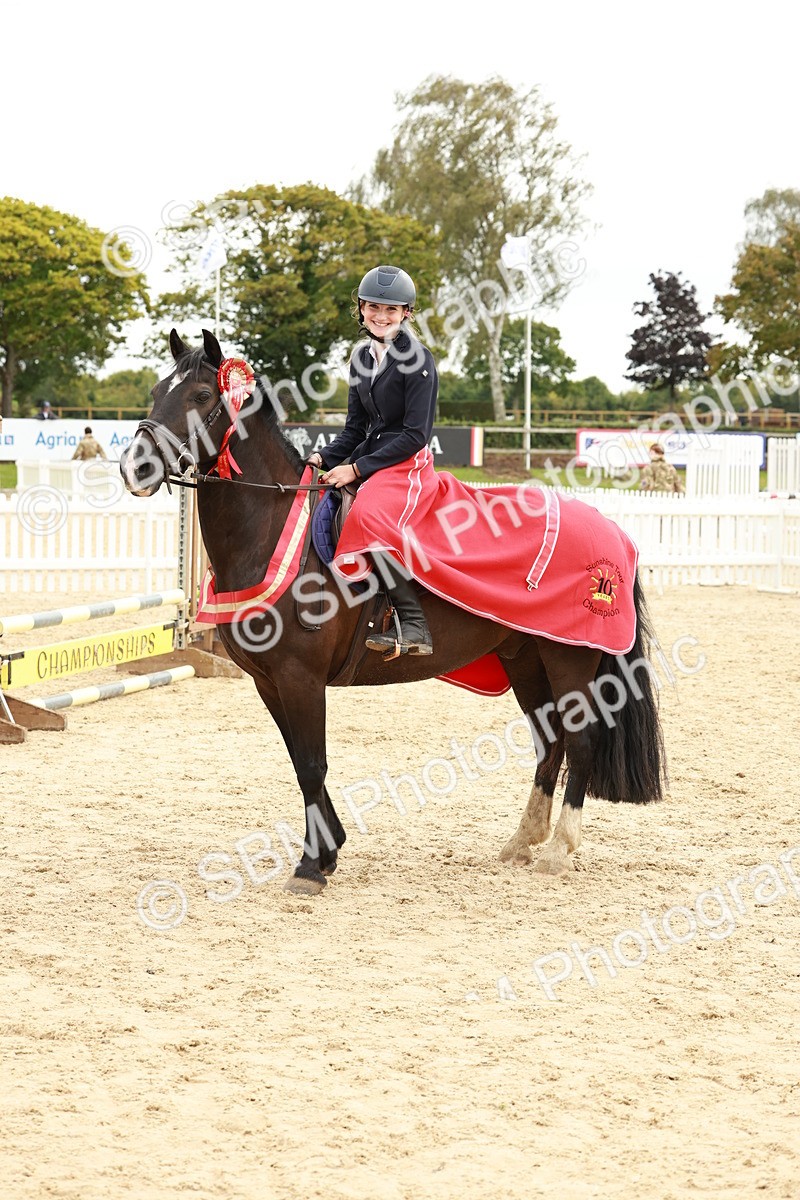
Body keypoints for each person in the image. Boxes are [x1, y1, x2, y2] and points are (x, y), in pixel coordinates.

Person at [308, 265, 438, 655]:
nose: (381, 316)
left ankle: (414, 624)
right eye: (373, 308)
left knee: (368, 514)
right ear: (361, 309)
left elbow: (416, 434)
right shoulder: (361, 357)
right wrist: (319, 457)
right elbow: (354, 429)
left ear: (406, 314)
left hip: (406, 461)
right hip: (370, 454)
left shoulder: (419, 358)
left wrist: (356, 468)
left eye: (391, 310)